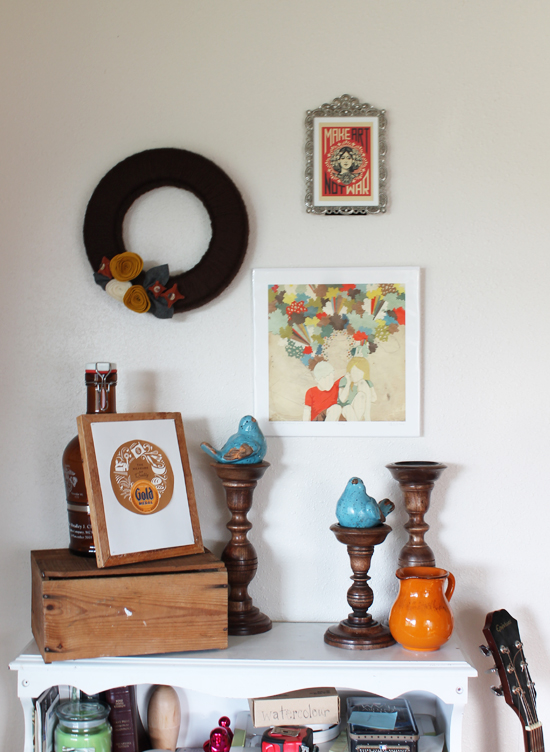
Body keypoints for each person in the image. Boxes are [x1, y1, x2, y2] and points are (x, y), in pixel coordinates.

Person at [338, 357, 377, 421]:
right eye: (353, 371)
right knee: (348, 408)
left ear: (364, 373)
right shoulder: (345, 380)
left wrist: (364, 389)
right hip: (344, 411)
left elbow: (374, 398)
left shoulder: (366, 382)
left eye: (358, 372)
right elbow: (342, 400)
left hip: (357, 414)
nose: (355, 374)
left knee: (361, 393)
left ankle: (365, 418)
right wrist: (348, 383)